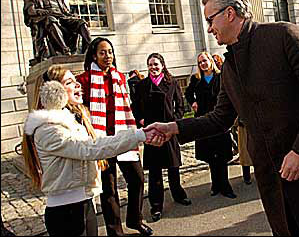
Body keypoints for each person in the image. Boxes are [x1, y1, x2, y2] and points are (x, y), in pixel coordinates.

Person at [146, 0, 299, 236]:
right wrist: (173, 128)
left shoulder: (283, 35)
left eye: (210, 20)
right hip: (276, 189)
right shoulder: (229, 66)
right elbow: (220, 118)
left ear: (229, 13)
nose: (208, 28)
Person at [21, 65, 158, 236]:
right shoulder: (48, 129)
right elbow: (90, 148)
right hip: (66, 213)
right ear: (53, 92)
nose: (78, 84)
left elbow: (96, 143)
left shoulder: (72, 121)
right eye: (70, 82)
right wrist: (139, 135)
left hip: (84, 203)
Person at [76, 38, 152, 236]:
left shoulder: (119, 76)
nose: (107, 56)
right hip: (101, 141)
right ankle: (115, 232)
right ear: (94, 55)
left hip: (121, 136)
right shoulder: (84, 80)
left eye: (110, 52)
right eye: (102, 52)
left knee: (137, 179)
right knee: (108, 189)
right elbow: (79, 108)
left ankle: (135, 219)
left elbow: (126, 106)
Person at [132, 53, 191, 222]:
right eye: (150, 64)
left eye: (156, 64)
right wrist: (141, 119)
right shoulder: (142, 85)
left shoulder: (171, 83)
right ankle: (156, 205)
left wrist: (175, 123)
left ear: (162, 65)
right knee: (155, 172)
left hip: (169, 130)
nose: (153, 67)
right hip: (152, 131)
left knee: (173, 167)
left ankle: (178, 195)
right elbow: (135, 106)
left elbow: (180, 105)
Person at [185, 52, 236, 198]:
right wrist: (193, 102)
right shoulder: (196, 79)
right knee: (211, 157)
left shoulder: (220, 77)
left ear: (210, 61)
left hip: (219, 120)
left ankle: (225, 186)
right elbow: (188, 93)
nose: (203, 64)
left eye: (205, 60)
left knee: (222, 155)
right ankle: (215, 185)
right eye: (200, 62)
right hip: (204, 121)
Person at [23, 0, 92, 60]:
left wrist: (72, 15)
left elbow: (66, 12)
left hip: (63, 19)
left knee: (81, 22)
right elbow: (31, 11)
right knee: (51, 19)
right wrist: (43, 11)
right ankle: (65, 49)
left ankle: (90, 47)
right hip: (47, 19)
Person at [236, 117, 253, 184]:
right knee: (245, 156)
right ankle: (247, 177)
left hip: (254, 127)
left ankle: (248, 177)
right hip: (243, 128)